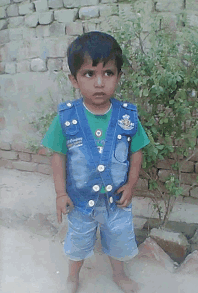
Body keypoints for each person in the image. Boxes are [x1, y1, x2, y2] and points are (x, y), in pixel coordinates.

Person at [42, 31, 150, 293]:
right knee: (78, 241)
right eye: (89, 74)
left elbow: (137, 151)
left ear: (119, 76)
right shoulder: (67, 118)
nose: (99, 83)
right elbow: (58, 155)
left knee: (118, 240)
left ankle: (119, 274)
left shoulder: (127, 116)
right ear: (74, 79)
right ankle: (73, 277)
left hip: (117, 201)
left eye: (108, 73)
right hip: (80, 202)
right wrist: (60, 193)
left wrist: (132, 184)